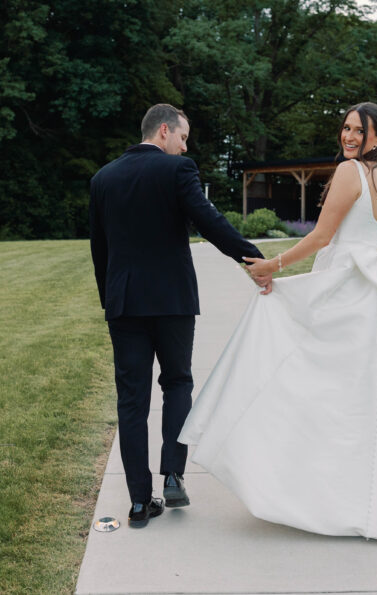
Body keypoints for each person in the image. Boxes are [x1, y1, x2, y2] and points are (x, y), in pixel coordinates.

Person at [178, 102, 377, 547]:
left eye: (358, 131)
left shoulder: (350, 173)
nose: (348, 137)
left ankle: (317, 491)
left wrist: (274, 265)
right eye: (345, 128)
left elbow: (324, 236)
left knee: (313, 384)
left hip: (348, 293)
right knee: (371, 397)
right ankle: (368, 496)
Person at [89, 103, 271, 528]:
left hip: (124, 304)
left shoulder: (103, 179)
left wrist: (110, 299)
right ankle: (173, 473)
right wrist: (254, 259)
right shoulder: (177, 170)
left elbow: (100, 250)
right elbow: (209, 221)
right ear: (165, 131)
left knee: (132, 400)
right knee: (177, 383)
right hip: (172, 301)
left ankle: (138, 503)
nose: (185, 146)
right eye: (184, 138)